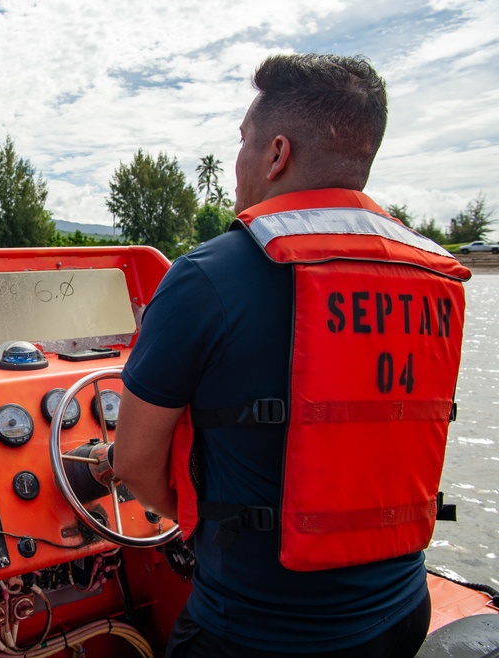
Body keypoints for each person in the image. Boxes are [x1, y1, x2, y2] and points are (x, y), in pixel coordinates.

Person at [114, 54, 469, 657]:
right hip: (402, 612)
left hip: (253, 633)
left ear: (276, 154)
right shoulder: (438, 277)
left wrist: (201, 518)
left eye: (245, 144)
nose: (239, 163)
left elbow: (131, 465)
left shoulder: (206, 277)